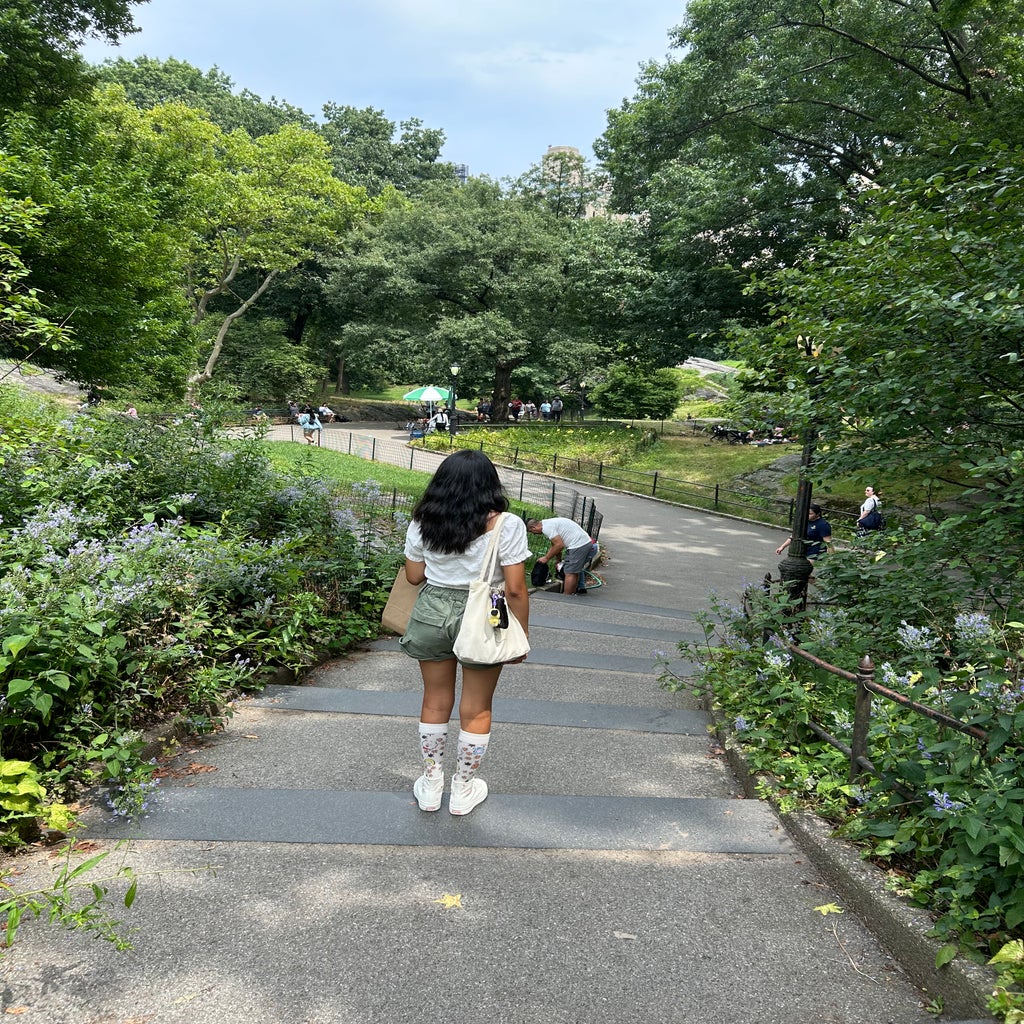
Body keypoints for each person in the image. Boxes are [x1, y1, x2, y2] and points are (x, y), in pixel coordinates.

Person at [400, 450, 530, 816]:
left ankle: (430, 784)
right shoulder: (507, 525)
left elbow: (413, 576)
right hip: (485, 613)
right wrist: (520, 634)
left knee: (435, 699)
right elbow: (517, 588)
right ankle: (462, 788)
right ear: (490, 485)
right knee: (476, 706)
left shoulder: (423, 521)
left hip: (431, 611)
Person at [526, 516, 594, 596]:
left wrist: (546, 558)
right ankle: (572, 593)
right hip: (583, 543)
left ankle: (566, 597)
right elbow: (555, 545)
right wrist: (558, 560)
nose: (534, 534)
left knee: (569, 572)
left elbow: (559, 545)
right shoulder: (548, 523)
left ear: (533, 527)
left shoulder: (547, 528)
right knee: (574, 571)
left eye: (532, 532)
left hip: (578, 545)